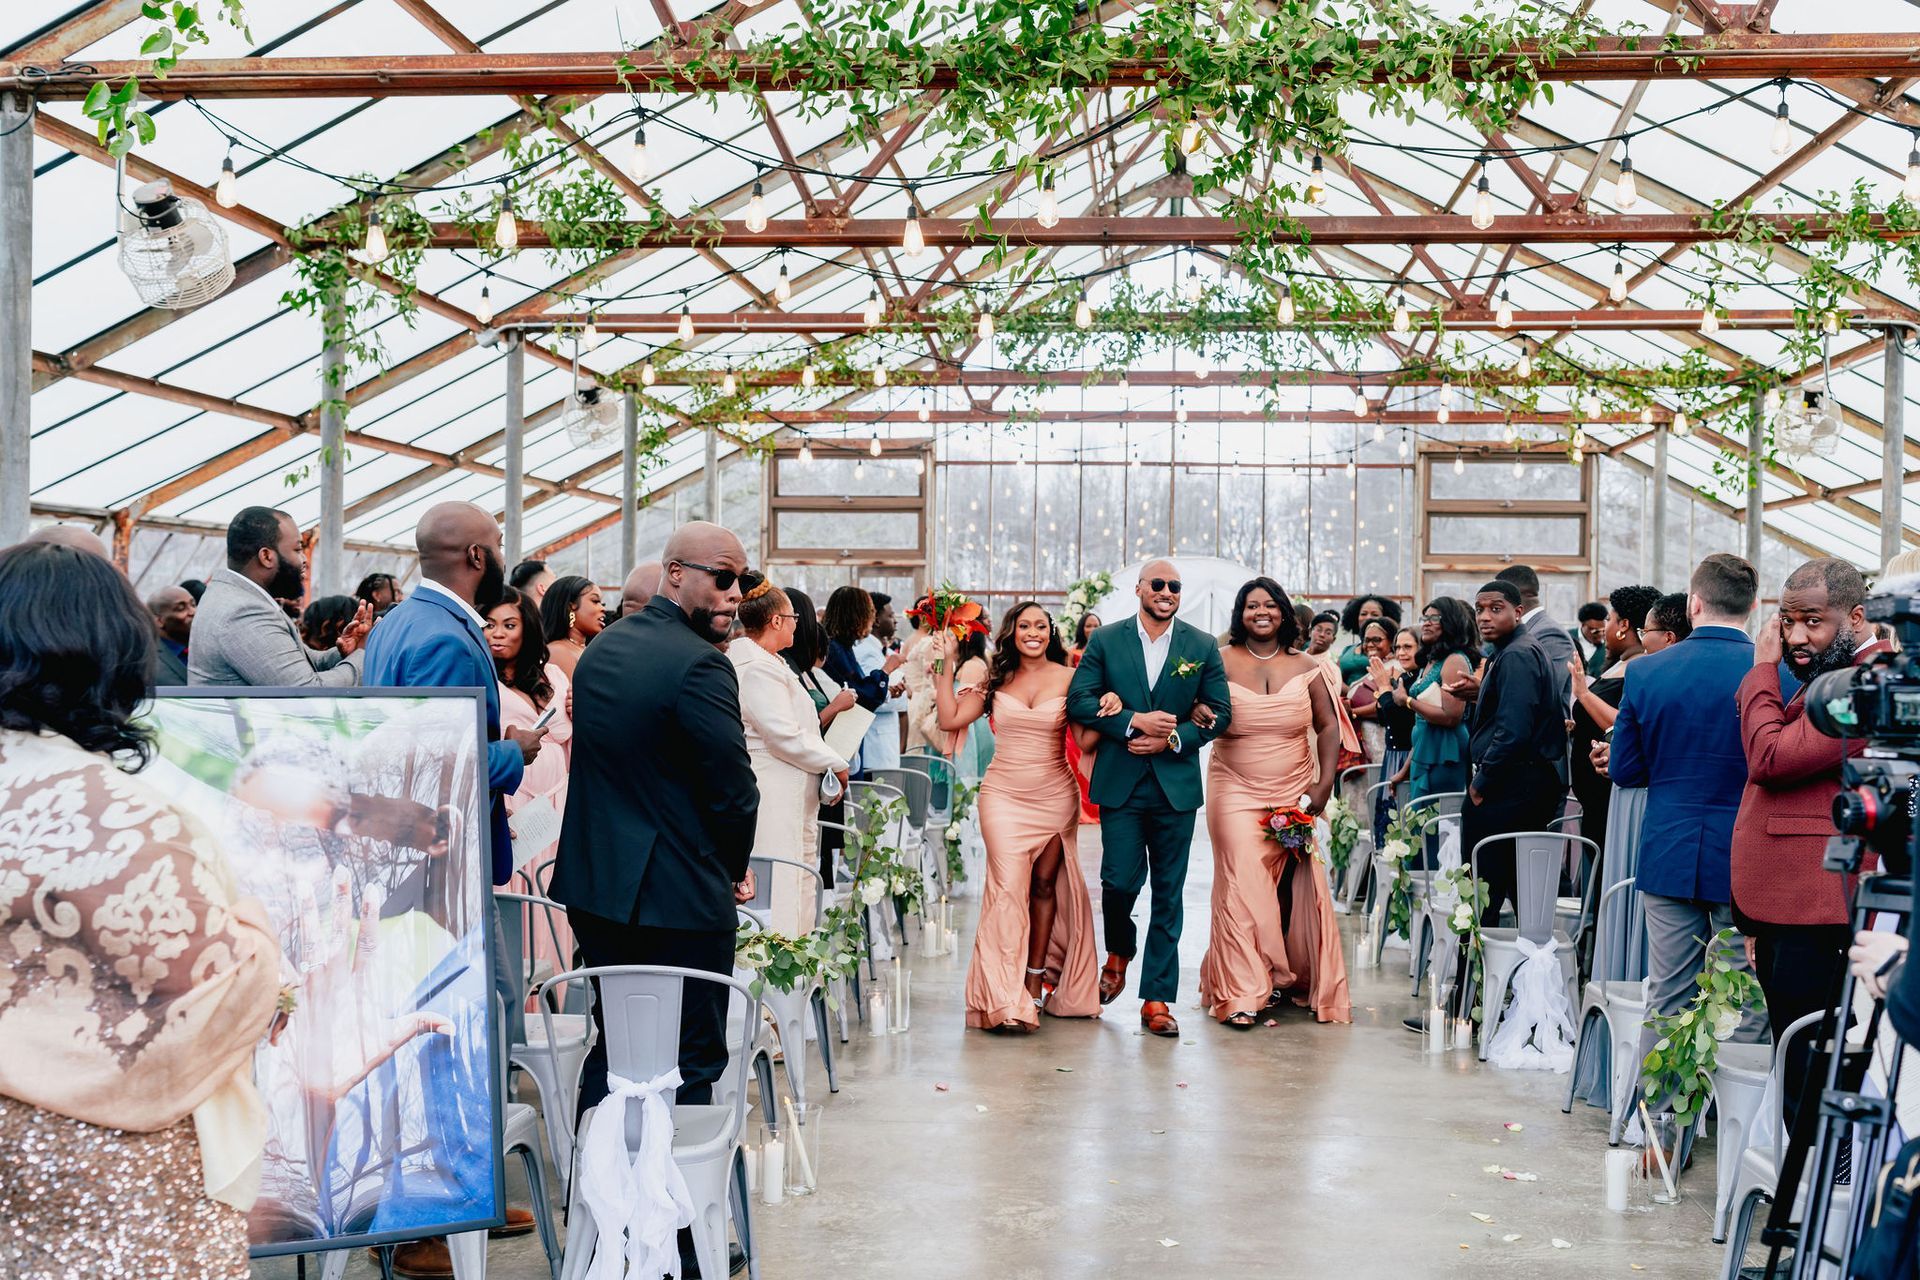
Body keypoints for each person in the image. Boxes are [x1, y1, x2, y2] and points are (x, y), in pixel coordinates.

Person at [0, 542, 281, 1280]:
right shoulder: (122, 819)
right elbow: (212, 994)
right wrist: (254, 929)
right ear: (114, 656)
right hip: (105, 1172)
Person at [358, 503, 546, 1271]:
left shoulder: (402, 622)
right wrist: (515, 751)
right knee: (447, 1033)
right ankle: (421, 1226)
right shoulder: (441, 637)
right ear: (476, 552)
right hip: (437, 871)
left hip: (422, 866)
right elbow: (441, 770)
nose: (502, 555)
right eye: (497, 545)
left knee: (483, 1014)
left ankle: (465, 1196)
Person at [550, 521, 761, 1126]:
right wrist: (731, 866)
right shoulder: (701, 665)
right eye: (722, 578)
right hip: (679, 900)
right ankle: (672, 1215)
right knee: (690, 1060)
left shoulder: (601, 652)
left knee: (615, 1048)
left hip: (598, 889)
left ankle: (593, 1202)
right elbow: (734, 792)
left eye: (742, 581)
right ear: (676, 574)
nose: (735, 592)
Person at [1733, 558, 1892, 1134]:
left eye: (1813, 623)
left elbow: (1771, 758)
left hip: (1820, 908)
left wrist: (1761, 672)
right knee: (1799, 1056)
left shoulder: (1867, 682)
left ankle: (1812, 1202)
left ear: (1854, 617)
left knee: (1810, 1062)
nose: (1797, 637)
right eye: (1788, 621)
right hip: (1796, 903)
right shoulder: (1836, 675)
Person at [1609, 554, 1767, 1095]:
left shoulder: (1648, 671)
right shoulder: (1773, 675)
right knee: (1744, 996)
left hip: (1669, 849)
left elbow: (1627, 769)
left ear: (1694, 602)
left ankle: (1663, 1133)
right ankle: (1736, 1128)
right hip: (1745, 859)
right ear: (1753, 607)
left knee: (1669, 996)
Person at [1066, 560, 1233, 1038]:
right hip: (1121, 781)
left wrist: (1175, 738)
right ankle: (1120, 948)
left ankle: (1156, 998)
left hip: (1174, 786)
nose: (1166, 591)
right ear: (1139, 589)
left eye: (1174, 586)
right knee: (1116, 882)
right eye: (1157, 584)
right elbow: (1079, 700)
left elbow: (1220, 713)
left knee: (1169, 892)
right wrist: (1133, 722)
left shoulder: (1200, 645)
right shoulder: (1107, 639)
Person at [935, 601, 1104, 1032]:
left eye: (1041, 626)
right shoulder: (995, 679)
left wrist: (1108, 703)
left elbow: (1085, 741)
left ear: (1052, 632)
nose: (1034, 632)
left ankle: (1033, 984)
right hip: (1003, 797)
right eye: (1025, 625)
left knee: (1045, 886)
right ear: (1011, 632)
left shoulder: (1071, 677)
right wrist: (946, 666)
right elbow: (949, 716)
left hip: (1054, 794)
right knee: (1007, 890)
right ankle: (1003, 998)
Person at [1198, 578, 1354, 1027]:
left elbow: (1328, 727)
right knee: (1242, 881)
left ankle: (1283, 975)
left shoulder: (1307, 666)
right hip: (1233, 786)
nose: (1260, 612)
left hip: (1293, 788)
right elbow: (1194, 708)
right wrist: (1194, 713)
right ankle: (1242, 992)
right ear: (1239, 614)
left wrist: (1324, 784)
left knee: (1291, 886)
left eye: (1269, 605)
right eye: (1251, 606)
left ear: (1284, 613)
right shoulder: (1218, 661)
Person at [728, 583, 849, 937]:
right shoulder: (755, 667)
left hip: (790, 786)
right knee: (781, 880)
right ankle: (778, 967)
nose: (798, 624)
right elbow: (782, 734)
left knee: (797, 873)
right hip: (773, 788)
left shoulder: (771, 661)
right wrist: (835, 762)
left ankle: (796, 967)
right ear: (777, 620)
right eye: (793, 617)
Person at [1453, 579, 1568, 924]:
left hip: (1510, 784)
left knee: (1483, 890)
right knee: (1511, 887)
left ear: (1518, 612)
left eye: (1495, 609)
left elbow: (1514, 730)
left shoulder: (1518, 653)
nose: (1484, 617)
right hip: (1517, 781)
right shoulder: (1509, 650)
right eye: (1479, 610)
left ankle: (1474, 975)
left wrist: (1480, 784)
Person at [190, 507, 370, 687]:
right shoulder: (243, 612)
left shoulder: (237, 597)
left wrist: (346, 649)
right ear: (267, 556)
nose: (304, 560)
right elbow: (307, 691)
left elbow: (299, 662)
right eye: (297, 549)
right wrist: (362, 654)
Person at [484, 584, 573, 894]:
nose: (497, 634)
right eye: (489, 624)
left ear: (529, 629)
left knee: (554, 896)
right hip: (514, 802)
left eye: (509, 625)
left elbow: (570, 743)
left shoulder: (554, 676)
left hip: (558, 805)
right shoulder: (483, 681)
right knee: (519, 892)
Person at [1567, 584, 1661, 863]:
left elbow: (1626, 723)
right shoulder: (1621, 663)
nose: (1605, 628)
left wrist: (1583, 694)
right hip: (1594, 793)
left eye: (1609, 620)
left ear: (1624, 625)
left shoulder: (1639, 667)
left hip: (1609, 788)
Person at [785, 589, 859, 882]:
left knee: (820, 856)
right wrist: (836, 706)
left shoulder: (804, 673)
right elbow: (800, 727)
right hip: (812, 766)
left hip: (825, 763)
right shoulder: (785, 672)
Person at [1379, 596, 1475, 803]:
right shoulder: (1430, 662)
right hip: (1424, 747)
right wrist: (1405, 769)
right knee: (1420, 820)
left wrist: (1406, 701)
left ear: (1451, 622)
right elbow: (1424, 725)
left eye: (1435, 618)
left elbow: (1451, 717)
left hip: (1446, 750)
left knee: (1440, 823)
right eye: (1425, 618)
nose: (1427, 622)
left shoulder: (1454, 660)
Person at [822, 588, 906, 758]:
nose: (872, 619)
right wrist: (886, 670)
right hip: (838, 742)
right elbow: (860, 697)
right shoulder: (835, 650)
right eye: (870, 613)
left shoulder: (844, 647)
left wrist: (887, 689)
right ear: (855, 615)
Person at [1494, 564, 1576, 713]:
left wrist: (1484, 689)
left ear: (1515, 596)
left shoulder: (1551, 634)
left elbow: (1541, 694)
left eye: (1497, 602)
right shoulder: (1517, 631)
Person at [855, 591, 906, 773]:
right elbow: (870, 696)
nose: (895, 620)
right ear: (876, 620)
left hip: (884, 743)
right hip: (875, 746)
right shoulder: (867, 652)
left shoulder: (878, 650)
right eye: (890, 616)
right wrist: (896, 692)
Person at [1066, 611, 1104, 824]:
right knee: (1075, 757)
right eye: (1088, 625)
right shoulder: (1072, 652)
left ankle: (1094, 808)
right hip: (1078, 706)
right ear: (1082, 628)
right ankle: (1079, 808)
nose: (1092, 629)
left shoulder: (1104, 651)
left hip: (1098, 705)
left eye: (1096, 625)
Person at [540, 575, 606, 678]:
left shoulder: (585, 649)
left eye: (602, 603)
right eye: (595, 601)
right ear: (571, 607)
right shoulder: (558, 651)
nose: (603, 608)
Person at [1336, 594, 1402, 684]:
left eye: (1374, 614)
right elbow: (1335, 677)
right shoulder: (1347, 650)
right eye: (1363, 614)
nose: (1368, 617)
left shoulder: (1393, 652)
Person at [148, 583, 195, 684]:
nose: (193, 612)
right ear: (159, 621)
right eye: (181, 608)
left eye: (193, 604)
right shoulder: (146, 661)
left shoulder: (208, 647)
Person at [1573, 602, 1610, 678]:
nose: (1600, 634)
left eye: (1603, 630)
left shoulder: (1609, 647)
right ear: (1583, 625)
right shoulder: (1568, 638)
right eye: (1595, 631)